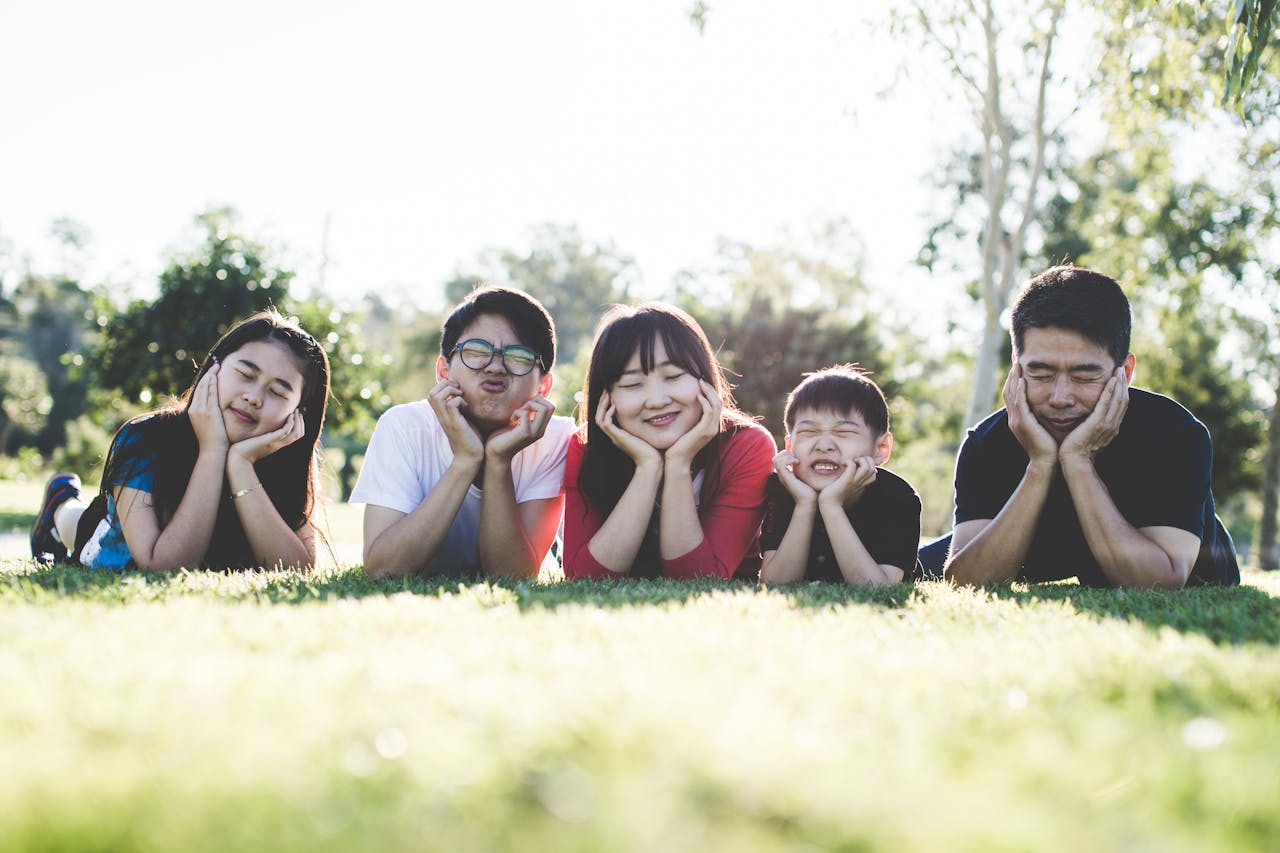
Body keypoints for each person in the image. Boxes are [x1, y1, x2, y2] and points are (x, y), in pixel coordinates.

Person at [930, 265, 1240, 588]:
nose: (1060, 397)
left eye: (1084, 376)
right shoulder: (985, 444)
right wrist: (1040, 464)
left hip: (1178, 552)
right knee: (916, 563)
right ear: (1016, 367)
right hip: (1041, 542)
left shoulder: (1176, 434)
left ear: (1125, 372)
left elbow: (1162, 581)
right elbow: (965, 581)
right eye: (1041, 373)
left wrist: (1078, 462)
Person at [30, 310, 330, 571]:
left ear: (298, 411)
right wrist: (213, 451)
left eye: (278, 392)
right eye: (245, 374)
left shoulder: (290, 454)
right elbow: (163, 566)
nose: (253, 397)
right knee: (81, 523)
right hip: (113, 539)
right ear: (216, 367)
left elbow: (295, 569)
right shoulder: (144, 437)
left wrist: (241, 465)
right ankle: (59, 503)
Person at [352, 286, 573, 579]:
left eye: (518, 357)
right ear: (443, 371)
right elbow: (383, 568)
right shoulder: (403, 427)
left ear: (543, 386)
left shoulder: (554, 439)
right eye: (476, 352)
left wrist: (498, 460)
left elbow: (512, 577)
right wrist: (465, 460)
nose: (495, 367)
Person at [563, 302, 776, 580]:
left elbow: (698, 580)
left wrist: (677, 464)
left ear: (704, 378)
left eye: (673, 376)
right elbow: (586, 578)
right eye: (632, 385)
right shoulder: (586, 448)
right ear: (606, 397)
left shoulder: (747, 447)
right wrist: (648, 468)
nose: (657, 400)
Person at [760, 366, 921, 586]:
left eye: (844, 433)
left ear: (881, 448)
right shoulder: (783, 487)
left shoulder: (897, 496)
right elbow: (775, 584)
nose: (824, 446)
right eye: (809, 432)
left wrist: (831, 505)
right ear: (790, 445)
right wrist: (805, 504)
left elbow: (878, 588)